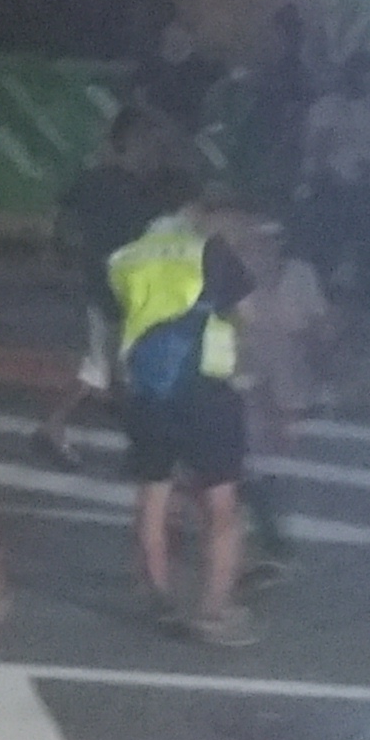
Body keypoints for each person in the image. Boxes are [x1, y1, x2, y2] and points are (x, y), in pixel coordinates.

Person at [107, 189, 259, 644]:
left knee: (153, 497)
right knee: (222, 506)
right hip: (206, 390)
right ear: (207, 212)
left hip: (148, 390)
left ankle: (158, 597)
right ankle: (214, 611)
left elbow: (122, 313)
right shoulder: (210, 252)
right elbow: (247, 314)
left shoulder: (129, 254)